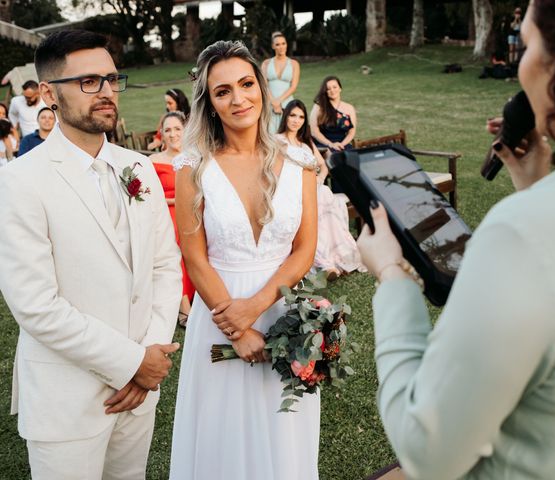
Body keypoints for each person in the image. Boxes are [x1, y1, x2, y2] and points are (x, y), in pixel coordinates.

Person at [357, 1, 555, 478]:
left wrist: (391, 276)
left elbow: (428, 448)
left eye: (527, 45)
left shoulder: (522, 234)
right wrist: (538, 186)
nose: (518, 65)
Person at [0, 30, 183, 480]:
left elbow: (164, 265)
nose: (105, 92)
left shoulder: (138, 167)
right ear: (48, 93)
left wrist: (151, 355)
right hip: (67, 400)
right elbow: (36, 306)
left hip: (140, 394)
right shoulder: (20, 181)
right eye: (88, 82)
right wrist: (131, 363)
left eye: (110, 79)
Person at [169, 40, 319, 480]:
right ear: (209, 103)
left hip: (282, 314)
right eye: (222, 91)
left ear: (262, 87)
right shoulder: (192, 166)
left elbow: (305, 251)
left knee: (283, 431)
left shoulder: (299, 160)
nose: (239, 99)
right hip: (217, 316)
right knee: (223, 437)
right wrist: (236, 330)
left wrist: (253, 312)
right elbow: (194, 260)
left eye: (247, 84)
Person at [277, 99, 365, 279]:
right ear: (286, 116)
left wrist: (320, 178)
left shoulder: (304, 141)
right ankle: (324, 262)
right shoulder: (278, 141)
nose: (296, 120)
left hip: (313, 188)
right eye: (293, 115)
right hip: (291, 191)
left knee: (324, 193)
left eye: (301, 117)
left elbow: (323, 163)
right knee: (321, 198)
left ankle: (335, 257)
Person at [149, 111, 195, 326]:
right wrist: (178, 201)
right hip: (168, 212)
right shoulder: (153, 161)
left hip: (195, 211)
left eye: (177, 129)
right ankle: (184, 308)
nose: (173, 134)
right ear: (162, 134)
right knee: (176, 241)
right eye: (167, 130)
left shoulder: (195, 157)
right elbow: (150, 196)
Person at [261, 31, 300, 133]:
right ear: (273, 46)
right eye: (277, 44)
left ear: (287, 45)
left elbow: (293, 86)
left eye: (283, 43)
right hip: (269, 102)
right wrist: (273, 102)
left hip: (287, 103)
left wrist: (279, 101)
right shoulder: (266, 63)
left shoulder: (294, 64)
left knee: (287, 132)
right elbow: (263, 85)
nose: (281, 47)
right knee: (269, 132)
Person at [310, 75, 357, 154]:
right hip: (324, 146)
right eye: (328, 89)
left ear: (340, 88)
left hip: (343, 145)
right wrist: (330, 144)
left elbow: (352, 131)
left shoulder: (349, 108)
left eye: (334, 87)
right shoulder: (319, 107)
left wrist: (342, 144)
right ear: (325, 91)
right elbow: (314, 131)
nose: (332, 90)